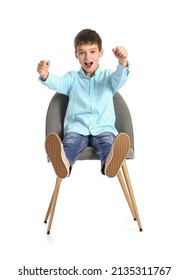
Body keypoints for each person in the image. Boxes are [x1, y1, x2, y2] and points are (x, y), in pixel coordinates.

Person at [37, 28, 130, 179]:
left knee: (108, 144)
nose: (87, 57)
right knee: (70, 144)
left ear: (101, 53)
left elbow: (120, 78)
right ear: (76, 55)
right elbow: (59, 83)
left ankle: (109, 164)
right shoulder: (72, 78)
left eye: (92, 51)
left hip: (103, 129)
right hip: (76, 129)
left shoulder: (108, 78)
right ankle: (64, 164)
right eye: (82, 52)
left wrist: (122, 62)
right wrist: (46, 75)